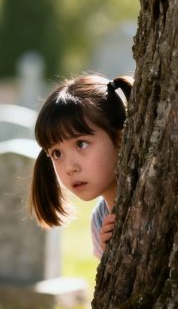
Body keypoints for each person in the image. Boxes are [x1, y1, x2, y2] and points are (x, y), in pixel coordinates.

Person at [28, 73, 133, 258]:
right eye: (57, 153)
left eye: (81, 144)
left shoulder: (150, 197)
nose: (70, 168)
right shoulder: (99, 220)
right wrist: (108, 255)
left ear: (120, 137)